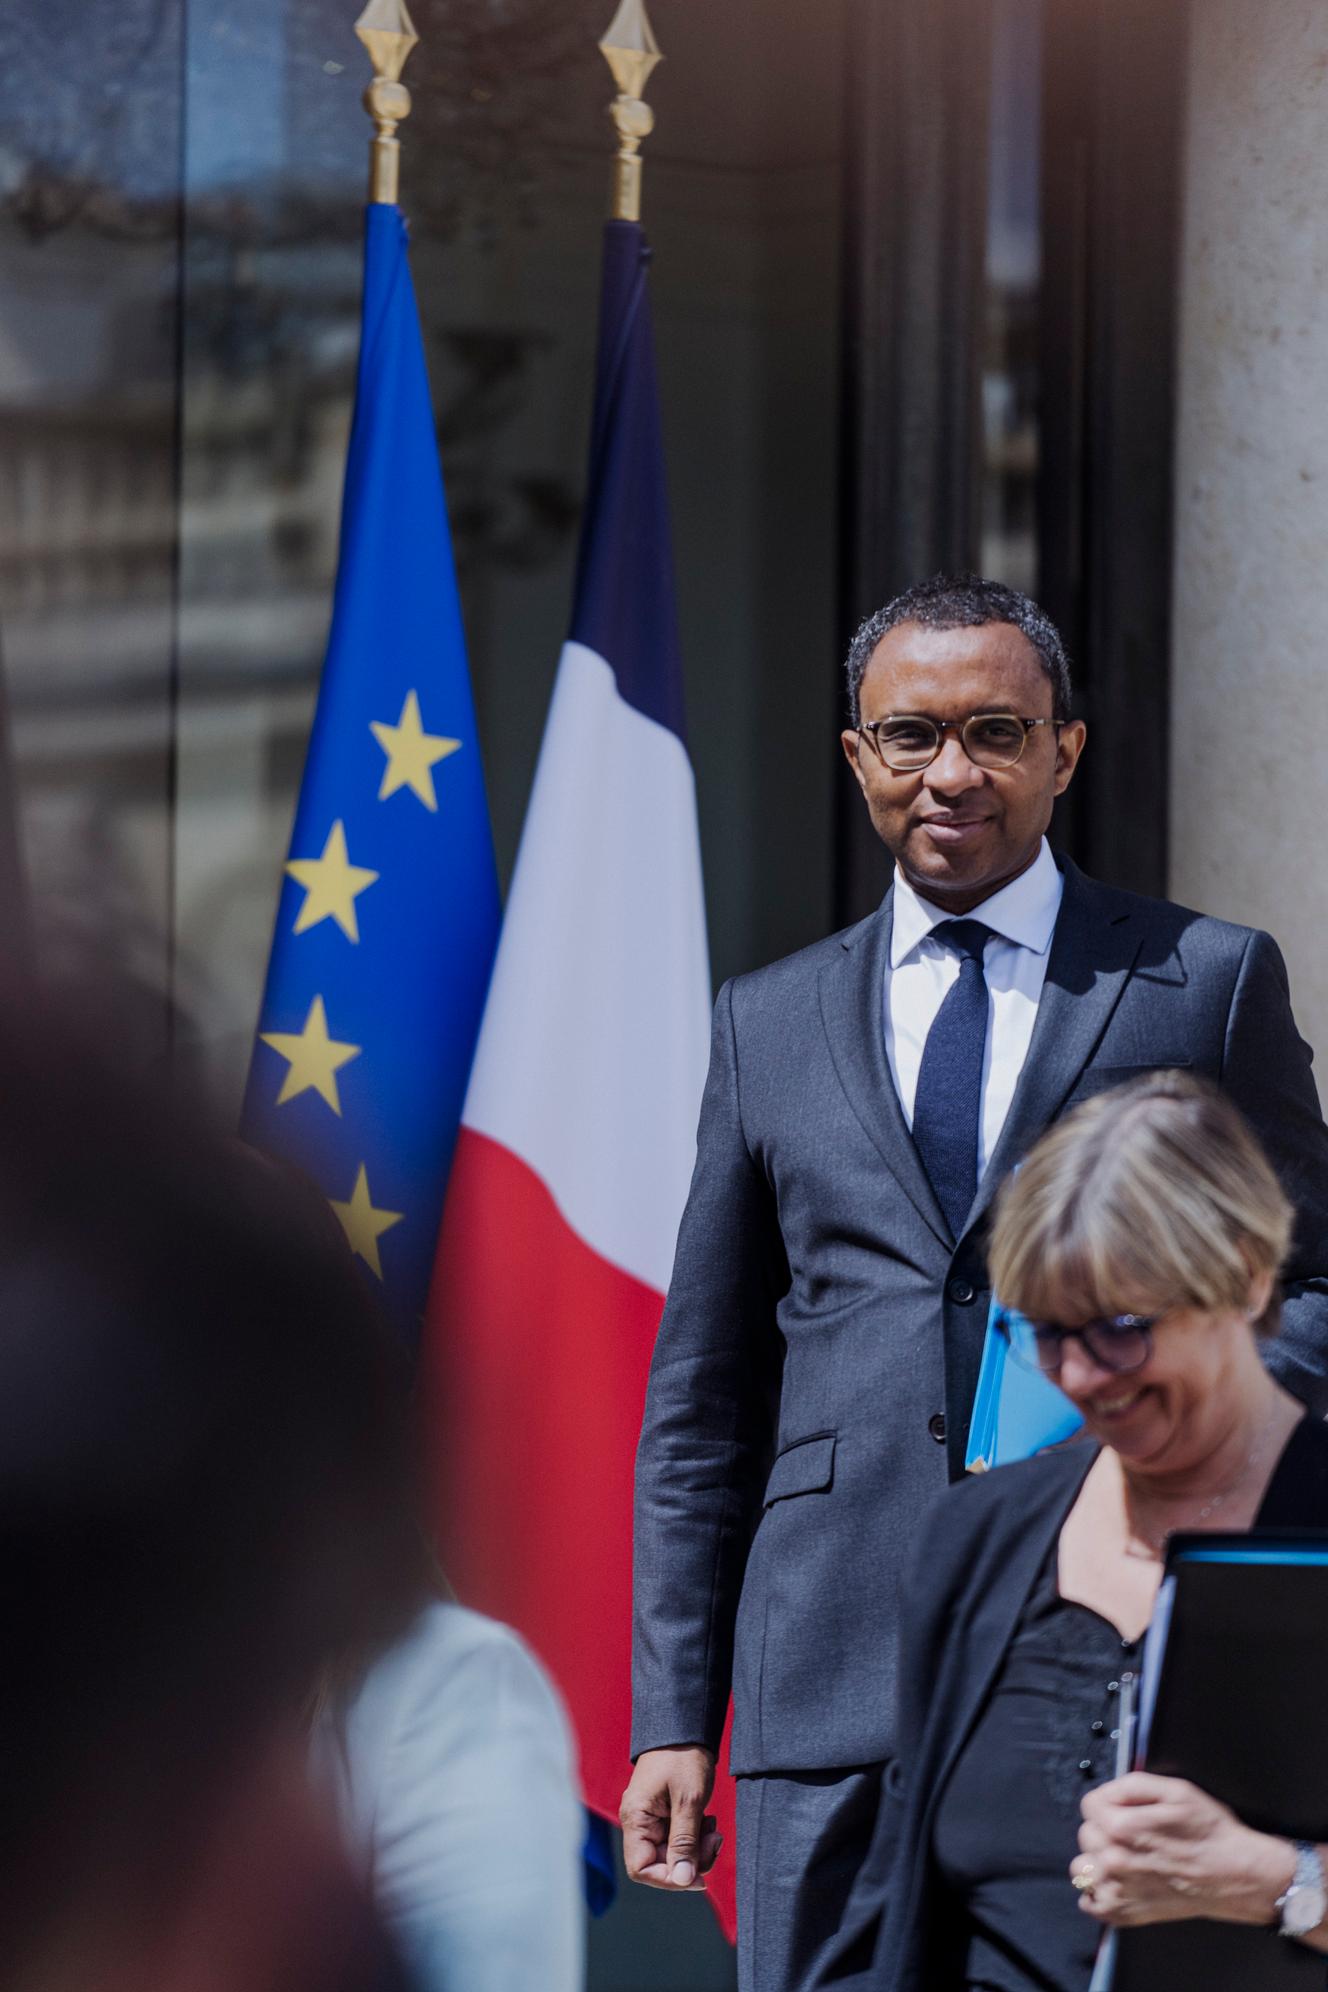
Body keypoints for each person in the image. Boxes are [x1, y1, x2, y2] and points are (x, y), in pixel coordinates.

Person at [621, 572, 1328, 1992]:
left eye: (998, 732)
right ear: (856, 758)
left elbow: (1311, 1281)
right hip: (829, 1678)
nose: (954, 772)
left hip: (1102, 1645)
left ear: (1066, 751)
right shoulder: (767, 1021)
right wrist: (673, 1713)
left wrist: (1177, 1414)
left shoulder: (1202, 978)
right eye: (912, 736)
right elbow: (705, 1400)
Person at [819, 1070, 1328, 1989]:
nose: (1085, 1376)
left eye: (1123, 1328)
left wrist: (1277, 1883)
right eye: (1049, 1331)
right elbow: (896, 1898)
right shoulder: (975, 1539)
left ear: (1249, 1282)